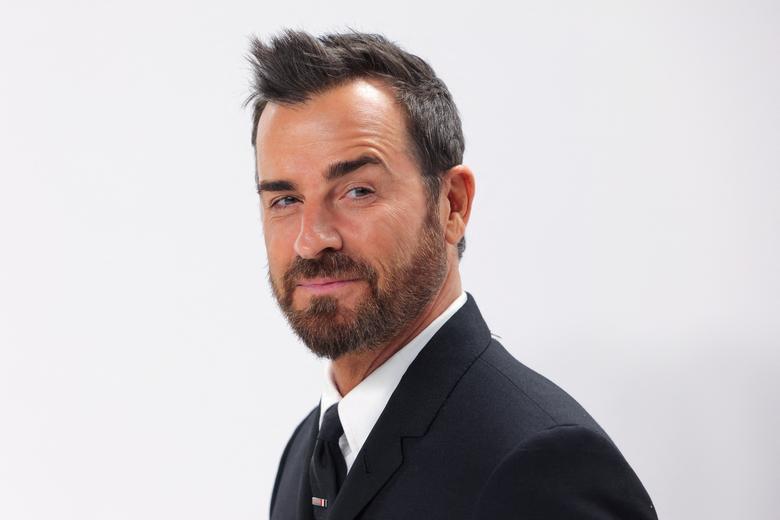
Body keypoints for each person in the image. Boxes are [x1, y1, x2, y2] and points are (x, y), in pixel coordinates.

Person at [246, 29, 657, 520]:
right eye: (285, 200)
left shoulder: (541, 466)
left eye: (358, 191)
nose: (312, 239)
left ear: (452, 205)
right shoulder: (308, 450)